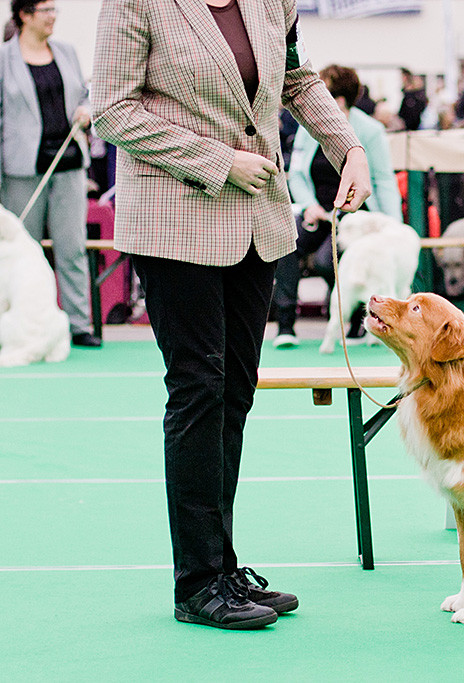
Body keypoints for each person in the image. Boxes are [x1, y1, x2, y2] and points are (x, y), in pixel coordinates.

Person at [92, 0, 371, 630]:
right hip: (174, 218)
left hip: (256, 221)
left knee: (235, 393)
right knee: (199, 389)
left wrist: (346, 146)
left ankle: (222, 567)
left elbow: (294, 80)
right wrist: (218, 162)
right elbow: (112, 107)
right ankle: (196, 583)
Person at [272, 65, 402, 348]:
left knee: (324, 261)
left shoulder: (370, 130)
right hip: (318, 213)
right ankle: (285, 325)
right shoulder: (311, 126)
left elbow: (382, 179)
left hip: (354, 218)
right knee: (285, 245)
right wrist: (308, 206)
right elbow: (297, 173)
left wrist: (394, 227)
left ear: (339, 100)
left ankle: (355, 320)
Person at [0, 0, 99, 348]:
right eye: (46, 10)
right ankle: (17, 324)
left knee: (71, 248)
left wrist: (87, 108)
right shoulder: (3, 59)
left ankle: (78, 324)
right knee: (21, 253)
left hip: (69, 163)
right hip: (22, 170)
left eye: (55, 10)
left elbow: (89, 91)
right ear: (25, 14)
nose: (53, 16)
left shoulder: (67, 52)